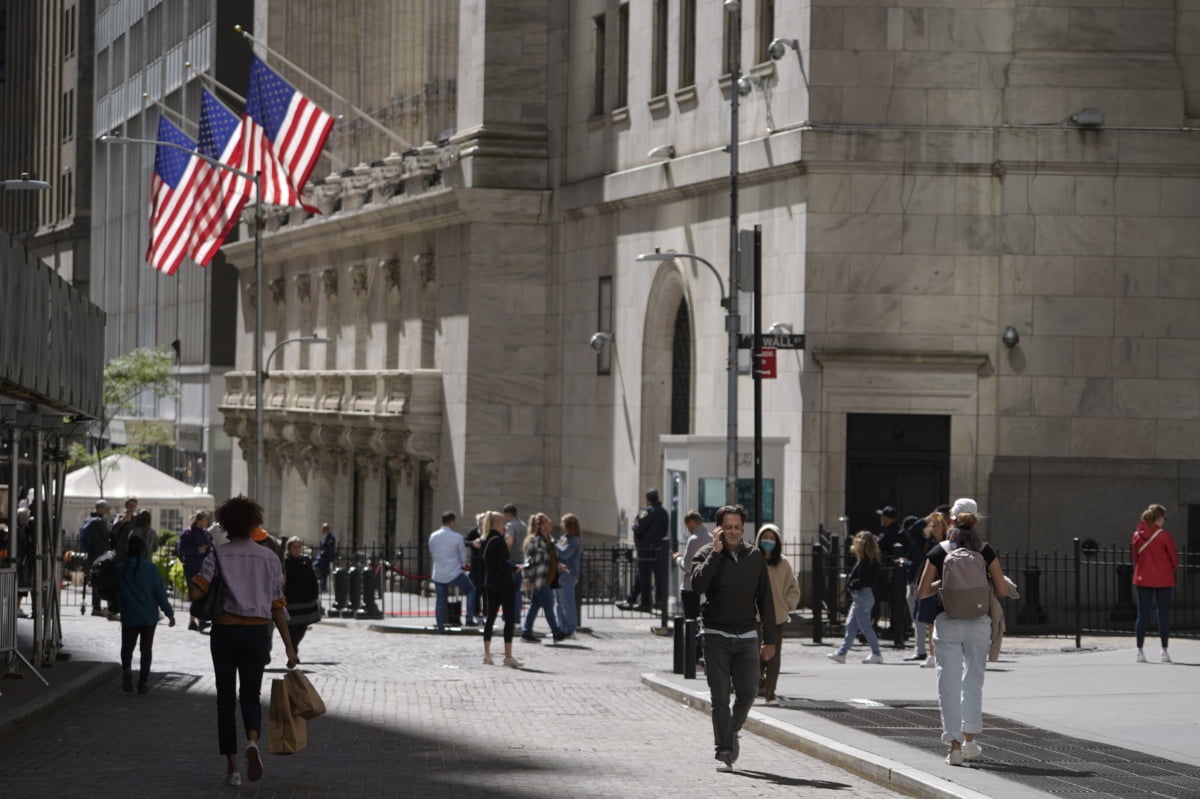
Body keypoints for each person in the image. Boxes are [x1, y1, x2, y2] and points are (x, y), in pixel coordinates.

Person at [189, 496, 297, 787]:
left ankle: (233, 767)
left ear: (225, 525)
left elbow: (198, 593)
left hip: (225, 632)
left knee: (225, 697)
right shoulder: (270, 558)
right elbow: (277, 605)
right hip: (256, 634)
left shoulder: (218, 555)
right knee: (250, 694)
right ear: (254, 524)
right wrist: (289, 646)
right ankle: (252, 741)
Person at [917, 498, 1010, 766]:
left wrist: (944, 582)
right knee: (973, 683)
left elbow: (922, 591)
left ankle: (954, 749)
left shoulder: (940, 550)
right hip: (979, 623)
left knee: (948, 684)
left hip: (948, 621)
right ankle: (970, 742)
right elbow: (1002, 591)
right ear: (975, 520)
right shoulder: (985, 550)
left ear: (952, 521)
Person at [691, 504, 776, 772]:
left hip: (747, 634)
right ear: (719, 529)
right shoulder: (706, 554)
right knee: (720, 697)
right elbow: (698, 586)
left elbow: (765, 598)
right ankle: (725, 749)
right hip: (715, 634)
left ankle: (731, 732)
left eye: (737, 527)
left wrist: (770, 639)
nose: (733, 532)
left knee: (749, 691)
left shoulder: (754, 556)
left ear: (743, 529)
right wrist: (715, 555)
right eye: (727, 527)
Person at [115, 536, 176, 693]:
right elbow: (160, 593)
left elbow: (115, 590)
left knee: (127, 647)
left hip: (129, 614)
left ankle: (127, 670)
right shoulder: (151, 568)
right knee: (146, 649)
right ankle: (143, 683)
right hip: (149, 616)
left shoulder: (121, 569)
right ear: (143, 550)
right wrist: (169, 613)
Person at [756, 524, 800, 704]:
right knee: (755, 654)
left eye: (772, 538)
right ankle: (757, 683)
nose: (768, 541)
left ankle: (770, 693)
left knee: (773, 656)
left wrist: (787, 605)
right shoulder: (753, 560)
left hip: (777, 617)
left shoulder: (783, 563)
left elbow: (793, 588)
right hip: (755, 616)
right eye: (765, 537)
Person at [828, 531, 884, 664]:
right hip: (860, 596)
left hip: (862, 596)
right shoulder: (866, 560)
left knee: (865, 626)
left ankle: (876, 653)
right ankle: (842, 653)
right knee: (851, 625)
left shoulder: (867, 562)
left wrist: (852, 584)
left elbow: (863, 581)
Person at [1131, 503, 1178, 664]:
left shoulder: (1137, 535)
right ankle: (1164, 651)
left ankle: (1140, 651)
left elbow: (1135, 558)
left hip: (1143, 578)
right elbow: (1174, 559)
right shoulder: (1165, 536)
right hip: (1164, 579)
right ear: (1159, 518)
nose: (1164, 520)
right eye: (1164, 517)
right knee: (1163, 614)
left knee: (1142, 615)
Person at [481, 510, 523, 668]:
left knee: (490, 618)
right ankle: (508, 656)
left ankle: (487, 654)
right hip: (503, 584)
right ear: (497, 524)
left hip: (490, 583)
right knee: (509, 619)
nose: (505, 526)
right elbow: (502, 564)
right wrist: (515, 567)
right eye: (503, 523)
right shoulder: (498, 540)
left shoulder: (486, 540)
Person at [673, 508, 714, 664]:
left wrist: (678, 559)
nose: (687, 528)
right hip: (706, 587)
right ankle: (702, 653)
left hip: (690, 586)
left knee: (691, 622)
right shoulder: (710, 538)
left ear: (692, 522)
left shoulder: (694, 539)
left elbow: (688, 566)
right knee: (703, 621)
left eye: (687, 525)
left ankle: (694, 654)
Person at [621, 488, 670, 612]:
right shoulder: (664, 512)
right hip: (659, 548)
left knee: (644, 575)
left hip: (646, 548)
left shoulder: (646, 512)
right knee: (659, 576)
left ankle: (646, 603)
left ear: (647, 499)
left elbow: (639, 528)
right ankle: (659, 602)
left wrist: (634, 525)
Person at [522, 512, 567, 643]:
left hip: (548, 578)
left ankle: (526, 631)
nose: (550, 522)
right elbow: (528, 563)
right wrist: (527, 580)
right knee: (549, 604)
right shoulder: (534, 541)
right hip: (539, 580)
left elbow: (548, 560)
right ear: (541, 526)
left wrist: (558, 566)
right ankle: (556, 631)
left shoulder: (550, 539)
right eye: (547, 520)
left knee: (535, 605)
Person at [429, 511, 478, 632]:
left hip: (439, 572)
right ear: (451, 522)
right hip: (454, 572)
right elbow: (462, 557)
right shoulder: (457, 537)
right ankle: (469, 618)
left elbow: (432, 552)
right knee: (471, 590)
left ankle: (440, 626)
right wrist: (463, 564)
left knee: (440, 599)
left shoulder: (433, 536)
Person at [915, 509, 950, 668]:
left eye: (937, 525)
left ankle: (939, 654)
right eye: (932, 525)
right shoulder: (928, 542)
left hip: (941, 584)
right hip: (929, 583)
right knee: (930, 621)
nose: (934, 528)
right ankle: (932, 654)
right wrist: (926, 518)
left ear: (944, 527)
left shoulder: (948, 543)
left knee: (940, 621)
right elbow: (911, 532)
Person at [283, 536, 321, 656]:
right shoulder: (285, 562)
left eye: (299, 547)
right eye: (294, 547)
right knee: (291, 628)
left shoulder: (306, 561)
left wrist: (315, 592)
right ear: (289, 549)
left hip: (305, 600)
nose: (297, 550)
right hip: (290, 600)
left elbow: (312, 577)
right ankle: (293, 650)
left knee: (302, 626)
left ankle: (293, 648)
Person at [900, 514, 929, 662]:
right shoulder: (918, 543)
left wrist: (903, 563)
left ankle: (921, 650)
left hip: (917, 583)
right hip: (916, 582)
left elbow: (916, 564)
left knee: (919, 619)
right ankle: (921, 649)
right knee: (919, 620)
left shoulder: (919, 543)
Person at [180, 510, 214, 631]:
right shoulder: (188, 532)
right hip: (192, 567)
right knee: (196, 592)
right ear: (199, 520)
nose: (207, 522)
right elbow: (182, 548)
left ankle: (197, 620)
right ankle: (196, 621)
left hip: (203, 567)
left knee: (202, 593)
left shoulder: (205, 533)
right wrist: (198, 550)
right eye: (205, 519)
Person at [554, 513, 583, 638]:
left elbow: (564, 553)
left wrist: (552, 544)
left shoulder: (575, 540)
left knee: (568, 603)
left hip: (568, 575)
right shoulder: (563, 537)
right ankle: (562, 628)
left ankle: (571, 629)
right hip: (559, 573)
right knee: (559, 603)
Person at [82, 499, 111, 617]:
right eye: (105, 508)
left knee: (95, 581)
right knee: (98, 581)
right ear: (99, 508)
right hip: (98, 555)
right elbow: (106, 536)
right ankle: (97, 607)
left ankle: (97, 606)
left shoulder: (89, 520)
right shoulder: (98, 522)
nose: (106, 510)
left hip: (91, 554)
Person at [503, 504, 526, 619]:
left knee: (509, 590)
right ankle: (516, 616)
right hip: (522, 560)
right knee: (517, 590)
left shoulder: (510, 525)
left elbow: (510, 542)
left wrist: (505, 555)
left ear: (507, 514)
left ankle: (509, 615)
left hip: (512, 560)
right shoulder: (524, 525)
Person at [464, 513, 487, 621]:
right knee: (476, 590)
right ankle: (477, 613)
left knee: (487, 590)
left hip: (487, 565)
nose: (481, 524)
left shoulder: (489, 532)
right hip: (475, 565)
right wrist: (472, 543)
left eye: (483, 521)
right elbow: (464, 541)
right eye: (479, 521)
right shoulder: (473, 532)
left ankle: (487, 614)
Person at [315, 522, 336, 590]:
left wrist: (322, 554)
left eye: (323, 528)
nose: (322, 530)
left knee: (324, 572)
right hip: (323, 557)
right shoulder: (327, 536)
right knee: (322, 572)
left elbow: (328, 548)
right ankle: (322, 586)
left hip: (327, 558)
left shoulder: (330, 537)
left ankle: (323, 586)